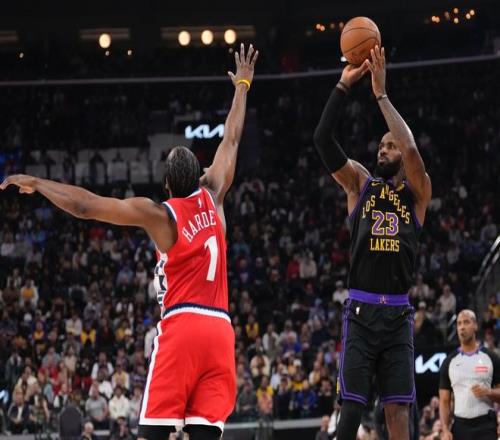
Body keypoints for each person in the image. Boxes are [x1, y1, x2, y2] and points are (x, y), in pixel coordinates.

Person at [1, 43, 258, 440]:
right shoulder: (215, 193)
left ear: (167, 185)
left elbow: (86, 206)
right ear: (200, 175)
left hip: (183, 325)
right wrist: (242, 86)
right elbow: (233, 139)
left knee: (151, 433)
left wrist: (38, 182)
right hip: (221, 331)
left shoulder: (161, 215)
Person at [313, 45, 432, 440]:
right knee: (351, 409)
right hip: (362, 312)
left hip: (398, 315)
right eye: (381, 145)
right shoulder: (360, 184)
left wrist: (381, 95)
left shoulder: (418, 193)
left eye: (389, 145)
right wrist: (342, 88)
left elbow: (411, 148)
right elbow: (322, 140)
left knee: (398, 412)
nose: (384, 149)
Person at [439, 309, 500, 440]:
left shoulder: (491, 357)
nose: (462, 327)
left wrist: (488, 392)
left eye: (466, 322)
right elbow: (444, 401)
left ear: (475, 326)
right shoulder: (449, 362)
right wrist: (445, 429)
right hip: (460, 427)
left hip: (486, 426)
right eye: (459, 323)